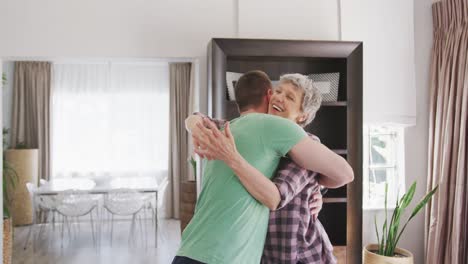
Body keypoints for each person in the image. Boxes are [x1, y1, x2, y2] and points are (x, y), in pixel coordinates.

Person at [173, 71, 353, 264]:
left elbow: (277, 197)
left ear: (303, 116)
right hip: (266, 254)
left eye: (290, 97)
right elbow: (202, 120)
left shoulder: (305, 145)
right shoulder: (256, 130)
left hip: (300, 254)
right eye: (278, 91)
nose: (279, 97)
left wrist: (317, 185)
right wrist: (196, 128)